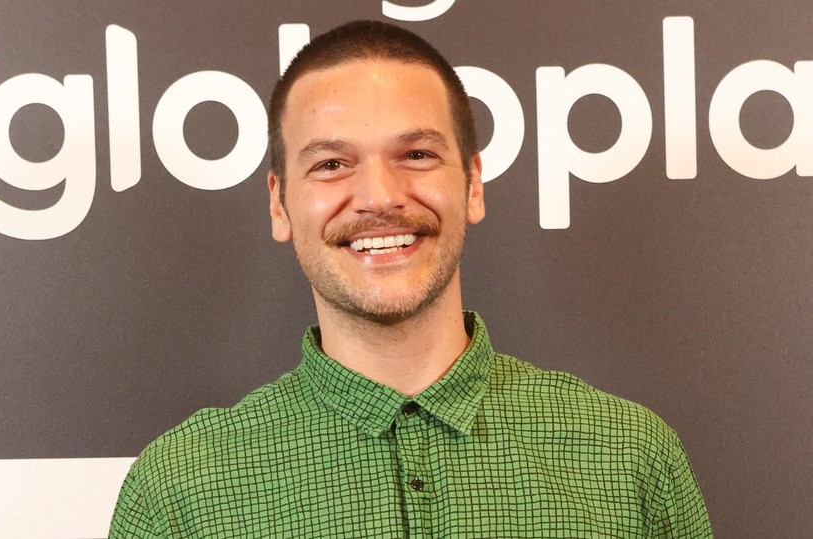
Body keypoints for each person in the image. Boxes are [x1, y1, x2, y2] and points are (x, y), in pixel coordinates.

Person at [109, 20, 712, 538]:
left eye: (417, 155)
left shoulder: (631, 459)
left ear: (473, 185)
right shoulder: (179, 492)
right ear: (279, 204)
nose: (379, 196)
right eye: (331, 163)